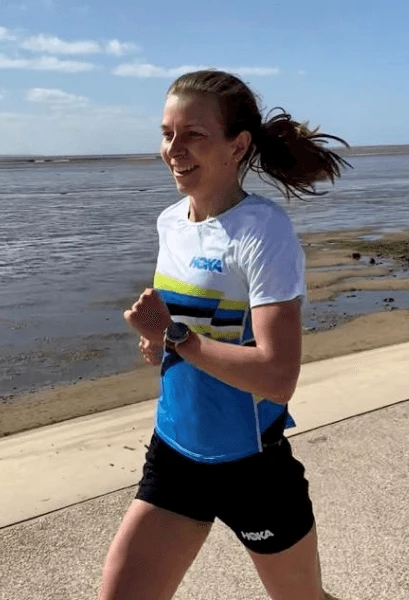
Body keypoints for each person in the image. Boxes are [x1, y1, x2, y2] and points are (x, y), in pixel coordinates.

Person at [97, 69, 350, 600]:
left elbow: (278, 376)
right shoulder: (171, 223)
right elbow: (184, 340)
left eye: (193, 134)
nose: (173, 149)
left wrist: (177, 337)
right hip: (175, 451)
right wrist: (157, 342)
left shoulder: (263, 232)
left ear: (237, 146)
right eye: (167, 133)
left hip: (251, 465)